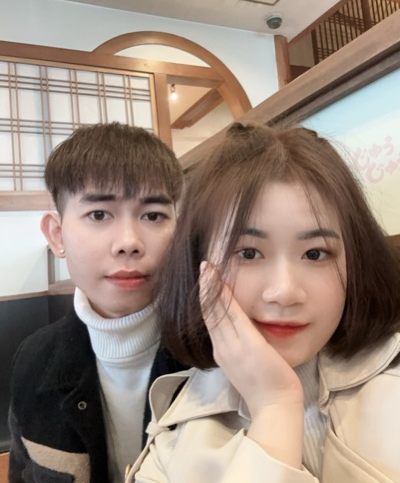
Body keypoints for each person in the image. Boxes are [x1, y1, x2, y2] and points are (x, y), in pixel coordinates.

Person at [127, 123, 400, 482]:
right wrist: (275, 408)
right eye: (249, 253)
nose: (284, 291)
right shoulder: (169, 452)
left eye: (315, 253)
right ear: (198, 264)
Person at [8, 122, 185, 482]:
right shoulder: (33, 359)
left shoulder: (216, 356)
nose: (129, 242)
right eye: (99, 214)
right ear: (57, 235)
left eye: (153, 215)